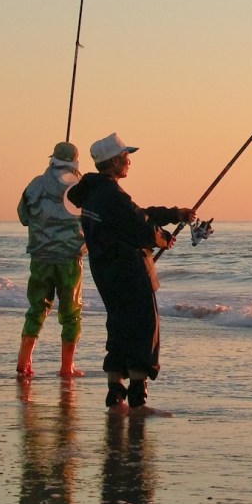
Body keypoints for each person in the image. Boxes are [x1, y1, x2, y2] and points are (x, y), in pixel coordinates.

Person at [66, 132, 194, 410]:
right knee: (144, 327)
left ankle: (115, 390)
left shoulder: (94, 193)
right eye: (126, 157)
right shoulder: (112, 194)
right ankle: (138, 394)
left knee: (118, 326)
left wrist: (173, 214)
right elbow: (140, 226)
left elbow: (135, 214)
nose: (129, 162)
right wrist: (163, 238)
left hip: (105, 272)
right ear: (114, 162)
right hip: (130, 272)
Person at [16, 141, 89, 379]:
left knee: (36, 308)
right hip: (70, 259)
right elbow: (92, 219)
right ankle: (67, 367)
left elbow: (23, 216)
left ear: (52, 159)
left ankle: (24, 361)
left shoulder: (35, 185)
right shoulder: (80, 187)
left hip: (40, 256)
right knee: (71, 313)